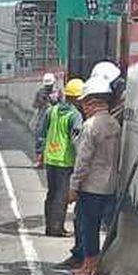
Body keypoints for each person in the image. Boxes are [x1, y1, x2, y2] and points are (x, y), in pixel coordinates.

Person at [68, 72, 123, 275]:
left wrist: (74, 185)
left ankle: (91, 267)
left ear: (91, 102)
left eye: (84, 102)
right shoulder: (114, 125)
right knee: (103, 225)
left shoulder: (90, 126)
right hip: (109, 185)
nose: (82, 107)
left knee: (88, 227)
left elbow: (83, 160)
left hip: (91, 186)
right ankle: (91, 266)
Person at [35, 78, 84, 237]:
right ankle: (57, 228)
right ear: (78, 98)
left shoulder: (52, 110)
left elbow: (41, 132)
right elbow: (76, 139)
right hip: (65, 160)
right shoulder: (75, 115)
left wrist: (40, 152)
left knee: (51, 193)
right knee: (61, 195)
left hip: (51, 158)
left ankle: (50, 227)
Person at [31, 73, 59, 166]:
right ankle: (40, 160)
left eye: (50, 85)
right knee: (40, 138)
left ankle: (53, 160)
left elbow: (62, 105)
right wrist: (41, 101)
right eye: (47, 86)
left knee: (54, 139)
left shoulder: (58, 92)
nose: (48, 88)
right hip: (42, 117)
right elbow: (34, 105)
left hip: (55, 118)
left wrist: (53, 101)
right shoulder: (40, 92)